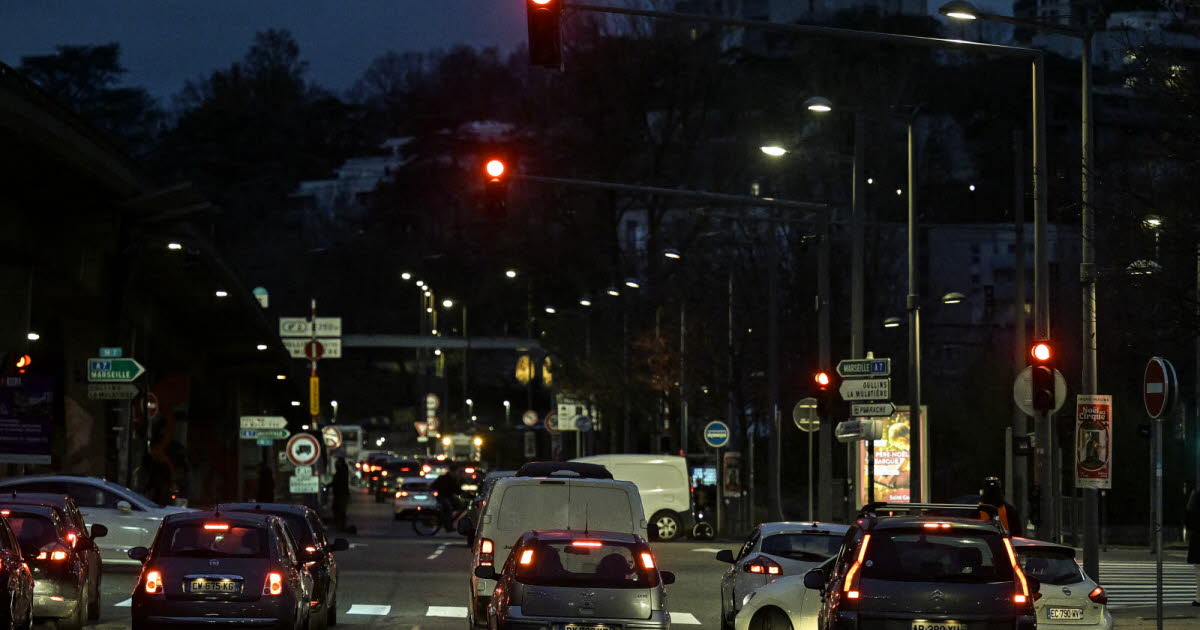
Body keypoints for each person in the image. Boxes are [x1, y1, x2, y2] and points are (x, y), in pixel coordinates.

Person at [431, 463, 462, 530]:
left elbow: (457, 490)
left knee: (460, 504)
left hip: (449, 496)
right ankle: (448, 525)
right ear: (453, 471)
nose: (457, 473)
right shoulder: (445, 478)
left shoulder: (454, 478)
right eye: (457, 471)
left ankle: (449, 519)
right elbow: (456, 489)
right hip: (442, 497)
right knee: (448, 508)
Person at [1186, 486, 1200, 606]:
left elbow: (1189, 513)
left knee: (1198, 570)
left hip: (1197, 537)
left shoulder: (1195, 493)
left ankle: (1199, 597)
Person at [332, 457, 350, 531]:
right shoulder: (342, 470)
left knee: (340, 510)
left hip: (341, 494)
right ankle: (340, 525)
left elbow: (338, 482)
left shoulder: (342, 471)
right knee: (337, 509)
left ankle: (341, 525)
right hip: (340, 494)